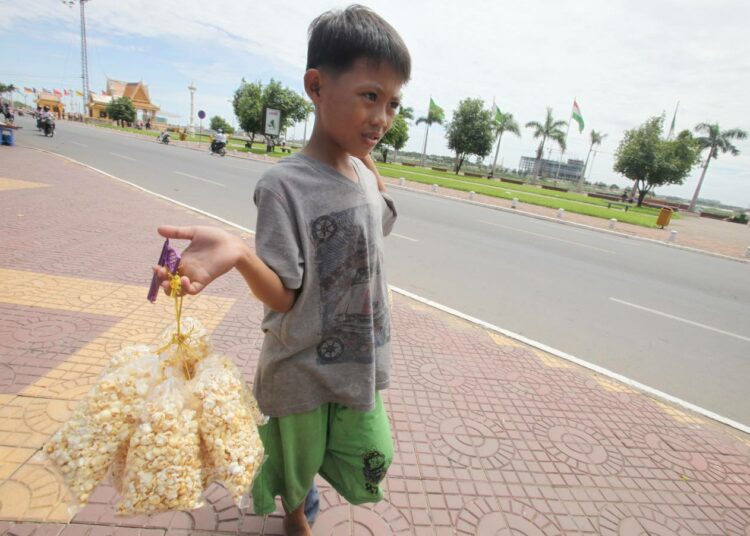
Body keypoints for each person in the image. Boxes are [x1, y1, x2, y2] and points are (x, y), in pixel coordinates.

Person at [152, 5, 409, 535]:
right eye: (369, 96)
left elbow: (374, 227)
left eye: (392, 104)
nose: (382, 117)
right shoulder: (283, 186)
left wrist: (368, 165)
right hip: (301, 367)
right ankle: (295, 514)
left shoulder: (362, 174)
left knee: (370, 455)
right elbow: (285, 296)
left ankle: (302, 493)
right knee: (296, 463)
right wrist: (242, 255)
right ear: (316, 85)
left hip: (358, 362)